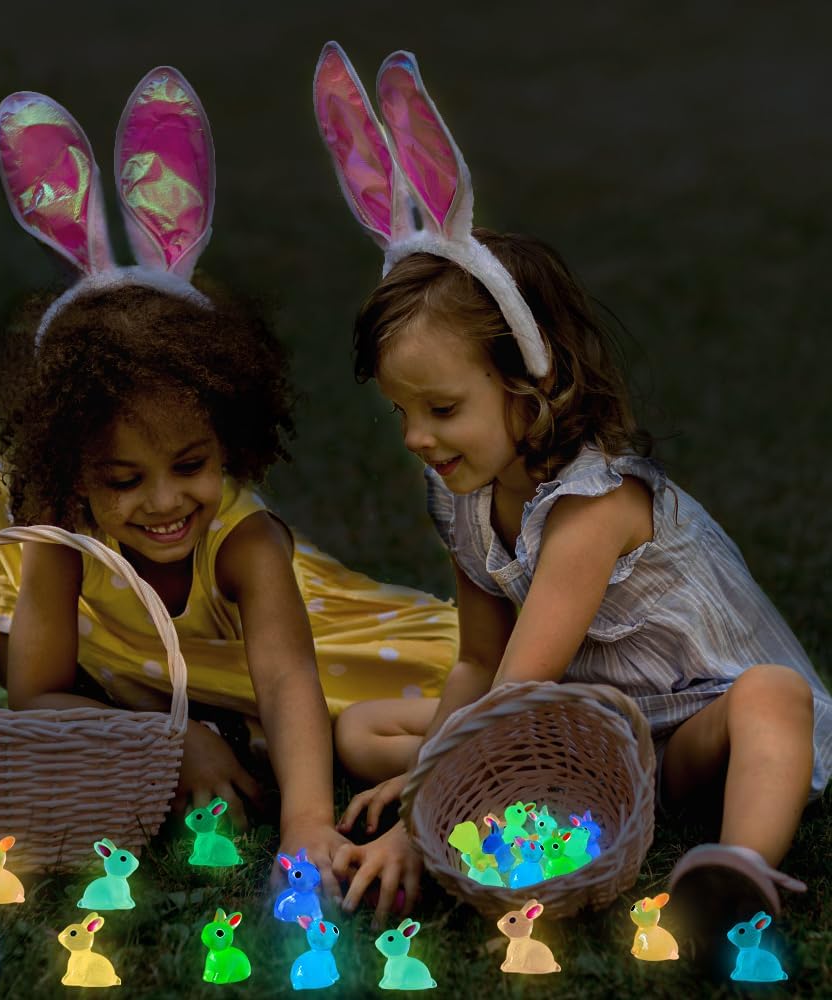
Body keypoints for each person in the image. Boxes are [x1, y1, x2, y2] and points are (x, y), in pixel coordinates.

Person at [0, 68, 458, 901]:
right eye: (124, 478)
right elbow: (38, 696)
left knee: (395, 708)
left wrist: (305, 821)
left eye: (191, 466)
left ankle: (502, 739)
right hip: (159, 675)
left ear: (229, 440)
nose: (163, 502)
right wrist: (173, 738)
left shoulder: (245, 543)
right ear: (74, 471)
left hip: (318, 646)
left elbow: (289, 680)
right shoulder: (60, 531)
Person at [313, 43, 831, 941]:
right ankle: (559, 785)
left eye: (442, 409)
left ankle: (738, 864)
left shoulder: (594, 507)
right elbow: (479, 664)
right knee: (362, 731)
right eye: (401, 411)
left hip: (699, 732)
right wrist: (433, 770)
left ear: (532, 385)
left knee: (774, 693)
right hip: (596, 729)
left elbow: (520, 683)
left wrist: (414, 823)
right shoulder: (463, 496)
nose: (416, 438)